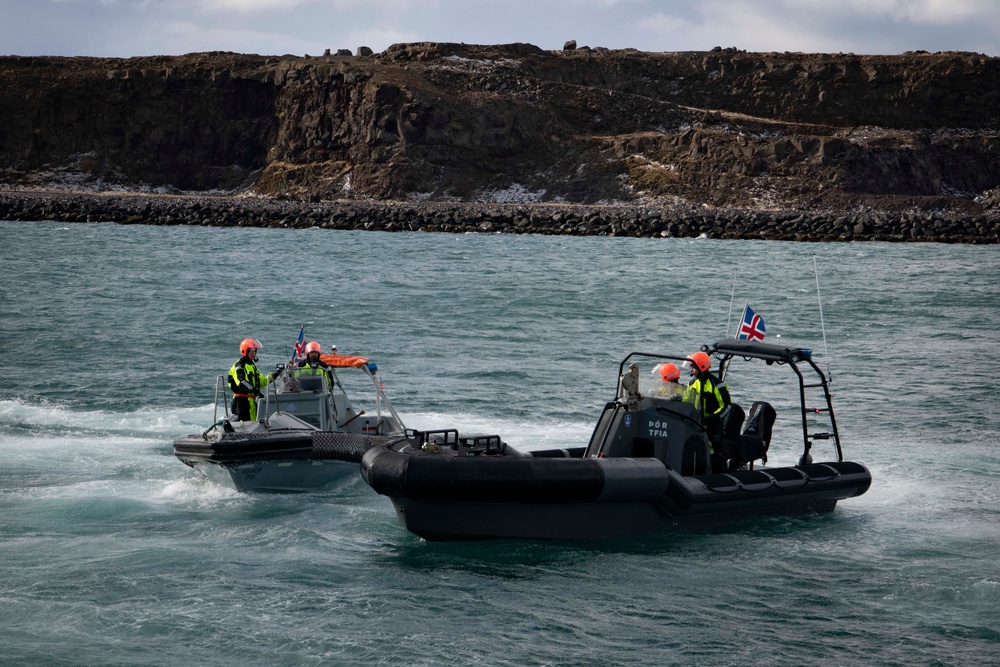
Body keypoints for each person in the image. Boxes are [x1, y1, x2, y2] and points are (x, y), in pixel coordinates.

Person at [683, 351, 732, 459]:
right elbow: (686, 401)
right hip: (695, 422)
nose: (691, 370)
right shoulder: (692, 384)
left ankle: (719, 471)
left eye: (693, 367)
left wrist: (713, 417)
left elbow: (726, 406)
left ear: (701, 367)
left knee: (717, 451)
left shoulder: (717, 385)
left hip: (713, 424)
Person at [228, 338, 274, 421]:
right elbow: (241, 382)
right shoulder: (239, 366)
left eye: (255, 350)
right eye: (251, 350)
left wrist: (275, 375)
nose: (253, 353)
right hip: (242, 403)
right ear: (244, 351)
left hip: (252, 401)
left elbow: (262, 382)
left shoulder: (252, 366)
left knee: (253, 425)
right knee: (244, 428)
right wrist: (255, 391)